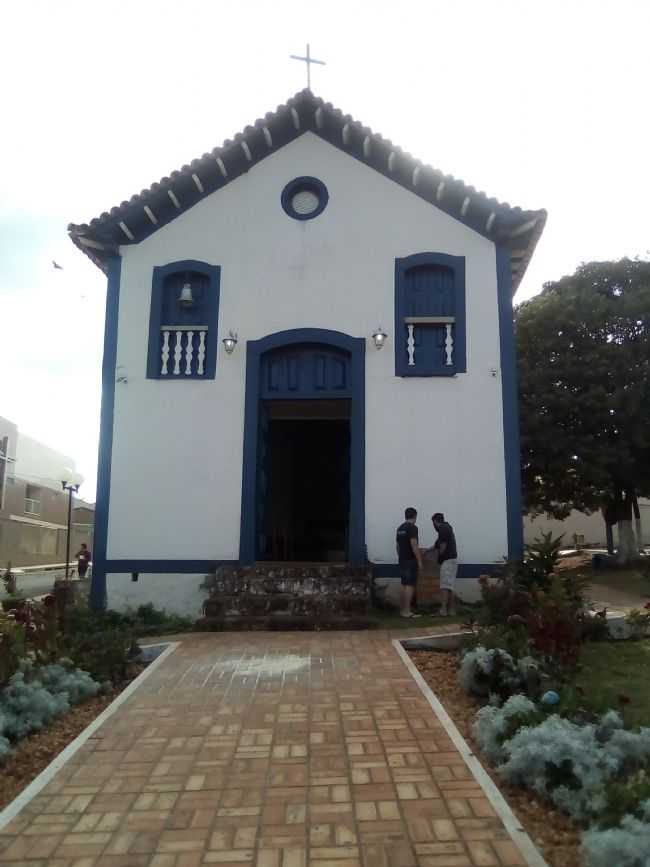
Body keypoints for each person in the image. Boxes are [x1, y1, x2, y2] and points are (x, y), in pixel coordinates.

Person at [428, 512, 458, 616]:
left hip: (448, 561)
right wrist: (427, 551)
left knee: (445, 586)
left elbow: (442, 547)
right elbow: (437, 545)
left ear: (435, 522)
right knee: (450, 586)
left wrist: (439, 559)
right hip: (452, 560)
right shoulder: (447, 528)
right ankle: (451, 611)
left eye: (433, 523)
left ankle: (443, 610)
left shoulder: (443, 529)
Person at [396, 507, 423, 618]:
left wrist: (401, 557)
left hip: (402, 559)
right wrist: (419, 561)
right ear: (415, 516)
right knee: (410, 585)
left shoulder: (400, 528)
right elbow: (414, 545)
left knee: (403, 584)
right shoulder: (413, 528)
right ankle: (407, 611)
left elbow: (397, 546)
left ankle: (402, 610)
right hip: (411, 560)